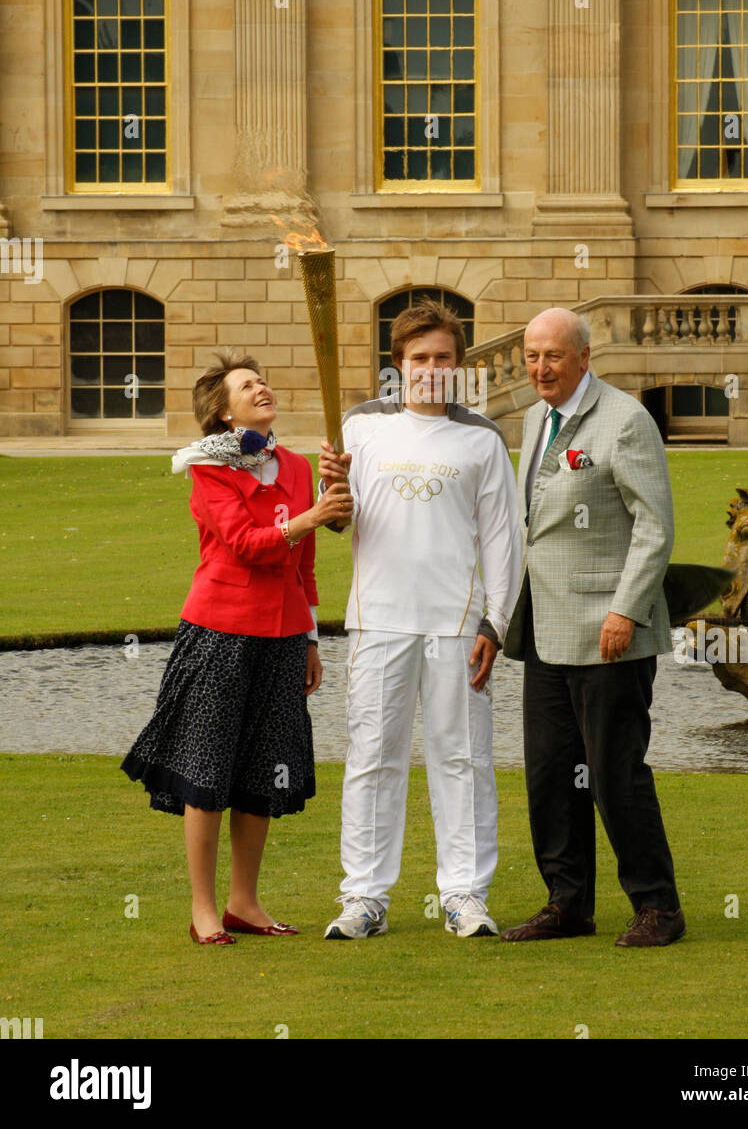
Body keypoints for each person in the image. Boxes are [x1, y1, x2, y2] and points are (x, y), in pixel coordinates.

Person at [121, 352, 352, 945]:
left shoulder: (298, 468)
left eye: (263, 380)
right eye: (247, 386)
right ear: (224, 413)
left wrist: (309, 637)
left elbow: (304, 567)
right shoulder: (207, 468)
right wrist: (310, 518)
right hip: (219, 631)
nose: (262, 387)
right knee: (207, 769)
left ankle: (243, 903)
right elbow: (247, 545)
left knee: (260, 772)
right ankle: (203, 909)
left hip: (281, 639)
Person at [317, 300, 522, 939]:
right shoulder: (359, 428)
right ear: (398, 364)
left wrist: (496, 623)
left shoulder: (481, 439)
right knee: (373, 756)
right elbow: (340, 520)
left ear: (458, 365)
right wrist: (329, 493)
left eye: (442, 358)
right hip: (378, 620)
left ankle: (464, 895)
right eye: (419, 358)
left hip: (458, 625)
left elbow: (504, 541)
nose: (431, 369)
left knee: (461, 758)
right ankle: (365, 900)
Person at [500, 308, 685, 947]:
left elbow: (654, 526)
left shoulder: (626, 421)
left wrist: (626, 609)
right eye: (531, 356)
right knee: (552, 773)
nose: (540, 368)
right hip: (548, 631)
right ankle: (568, 904)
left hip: (611, 631)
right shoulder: (533, 419)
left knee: (614, 773)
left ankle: (658, 907)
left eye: (553, 355)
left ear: (584, 357)